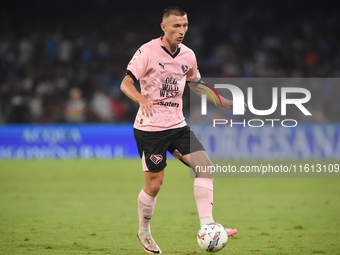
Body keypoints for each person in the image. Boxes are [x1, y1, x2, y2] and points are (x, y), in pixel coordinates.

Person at [120, 6, 242, 254]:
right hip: (150, 129)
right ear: (163, 27)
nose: (182, 30)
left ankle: (208, 227)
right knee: (154, 185)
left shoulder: (188, 55)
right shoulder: (147, 52)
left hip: (177, 126)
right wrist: (141, 100)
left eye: (185, 25)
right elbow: (125, 84)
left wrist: (224, 102)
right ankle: (144, 232)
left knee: (206, 167)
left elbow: (197, 86)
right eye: (176, 26)